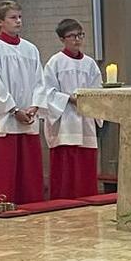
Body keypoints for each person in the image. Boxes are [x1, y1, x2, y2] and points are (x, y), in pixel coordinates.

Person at [0, 0, 46, 211]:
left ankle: (31, 207)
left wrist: (34, 106)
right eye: (13, 18)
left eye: (20, 17)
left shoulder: (30, 49)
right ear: (0, 21)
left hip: (28, 118)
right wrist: (14, 110)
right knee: (3, 169)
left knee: (29, 171)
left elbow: (40, 81)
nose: (18, 21)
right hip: (5, 120)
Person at [43, 19, 103, 199]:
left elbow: (97, 89)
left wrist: (87, 100)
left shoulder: (90, 63)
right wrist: (69, 98)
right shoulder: (55, 62)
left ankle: (87, 200)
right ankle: (63, 201)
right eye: (72, 36)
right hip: (64, 122)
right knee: (65, 170)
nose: (77, 39)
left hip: (85, 120)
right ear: (62, 39)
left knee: (85, 167)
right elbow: (48, 92)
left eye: (80, 35)